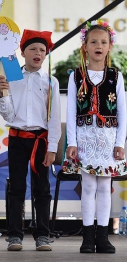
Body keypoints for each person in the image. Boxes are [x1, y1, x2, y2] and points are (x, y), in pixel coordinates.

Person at [63, 19, 126, 254]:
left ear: (109, 46)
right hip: (85, 138)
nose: (98, 45)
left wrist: (120, 143)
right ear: (85, 47)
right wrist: (72, 143)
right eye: (93, 42)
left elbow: (122, 112)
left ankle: (103, 236)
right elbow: (70, 111)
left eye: (103, 42)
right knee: (88, 186)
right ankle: (87, 237)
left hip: (108, 140)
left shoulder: (115, 77)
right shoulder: (76, 76)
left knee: (104, 187)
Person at [0, 29, 61, 251]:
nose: (38, 53)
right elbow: (7, 115)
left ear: (46, 55)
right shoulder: (13, 77)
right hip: (16, 138)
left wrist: (52, 147)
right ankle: (14, 235)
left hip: (40, 141)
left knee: (42, 188)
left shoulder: (50, 81)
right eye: (33, 49)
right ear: (23, 53)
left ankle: (42, 235)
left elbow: (54, 117)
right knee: (16, 188)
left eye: (43, 50)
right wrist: (3, 95)